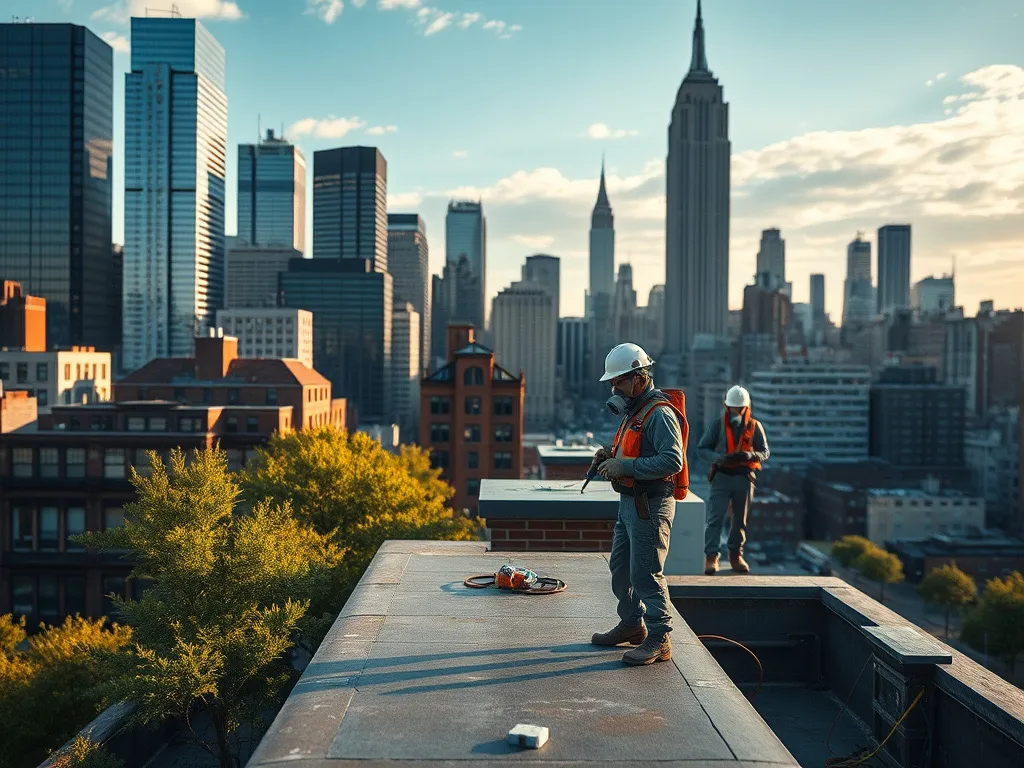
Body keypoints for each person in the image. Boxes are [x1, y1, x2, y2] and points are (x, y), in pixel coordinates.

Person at [588, 343, 685, 666]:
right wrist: (611, 456)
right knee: (621, 571)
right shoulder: (635, 412)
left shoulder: (660, 413)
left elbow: (672, 460)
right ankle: (632, 625)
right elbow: (637, 451)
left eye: (619, 382)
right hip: (629, 504)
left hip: (651, 506)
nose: (614, 388)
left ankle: (660, 639)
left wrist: (625, 467)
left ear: (639, 379)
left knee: (646, 574)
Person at [696, 384, 770, 575]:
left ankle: (735, 555)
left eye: (740, 409)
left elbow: (765, 452)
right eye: (733, 408)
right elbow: (702, 448)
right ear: (726, 407)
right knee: (715, 518)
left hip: (744, 478)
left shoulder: (755, 427)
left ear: (747, 408)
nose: (736, 412)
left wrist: (751, 455)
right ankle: (711, 556)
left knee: (739, 521)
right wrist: (718, 458)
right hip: (722, 476)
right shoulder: (718, 425)